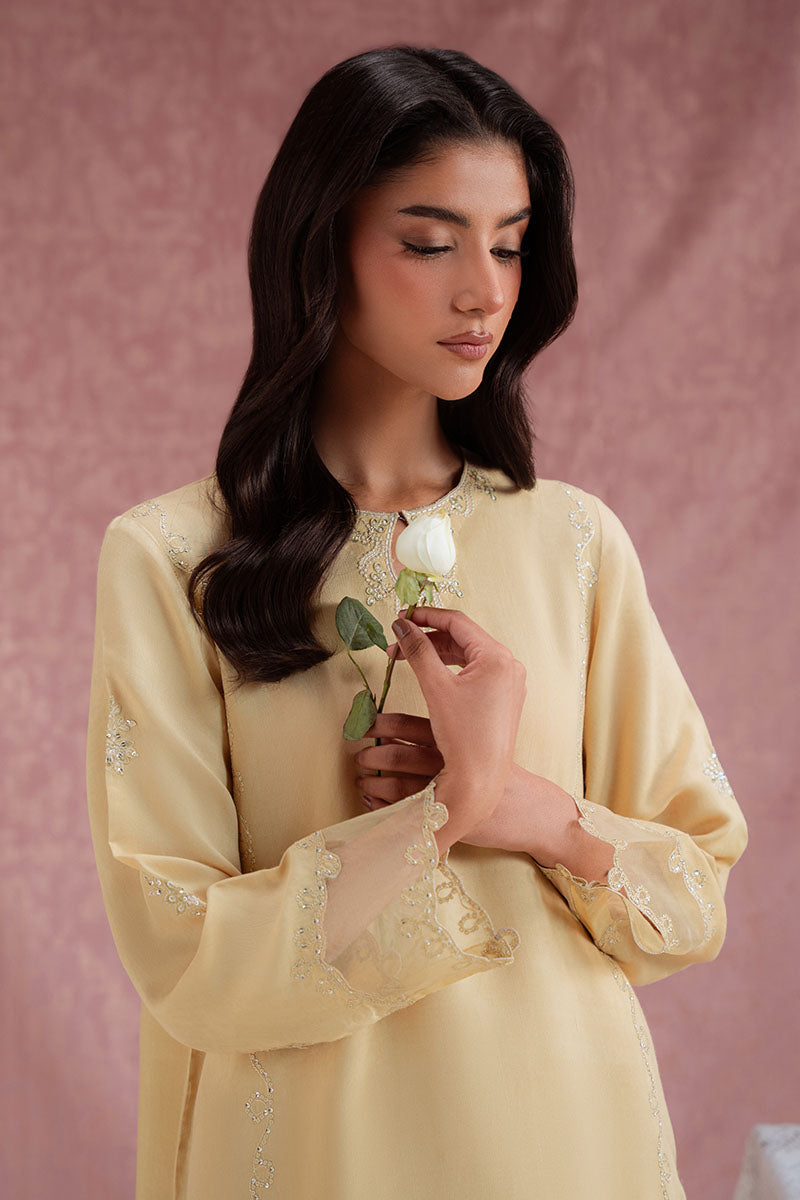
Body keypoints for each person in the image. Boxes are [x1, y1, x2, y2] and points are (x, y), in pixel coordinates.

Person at [86, 45, 748, 1200]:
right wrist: (450, 808)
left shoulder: (573, 541)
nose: (482, 290)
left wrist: (527, 807)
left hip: (567, 1138)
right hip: (317, 1155)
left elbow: (689, 902)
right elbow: (181, 949)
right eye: (431, 243)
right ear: (321, 246)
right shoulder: (175, 559)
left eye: (508, 243)